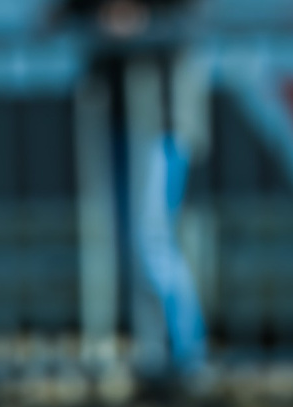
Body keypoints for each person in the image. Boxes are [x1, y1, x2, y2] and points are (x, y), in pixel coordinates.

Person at [59, 0, 204, 376]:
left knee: (150, 240)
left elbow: (189, 17)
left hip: (161, 112)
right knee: (132, 242)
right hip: (116, 110)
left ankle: (186, 358)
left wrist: (143, 22)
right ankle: (156, 357)